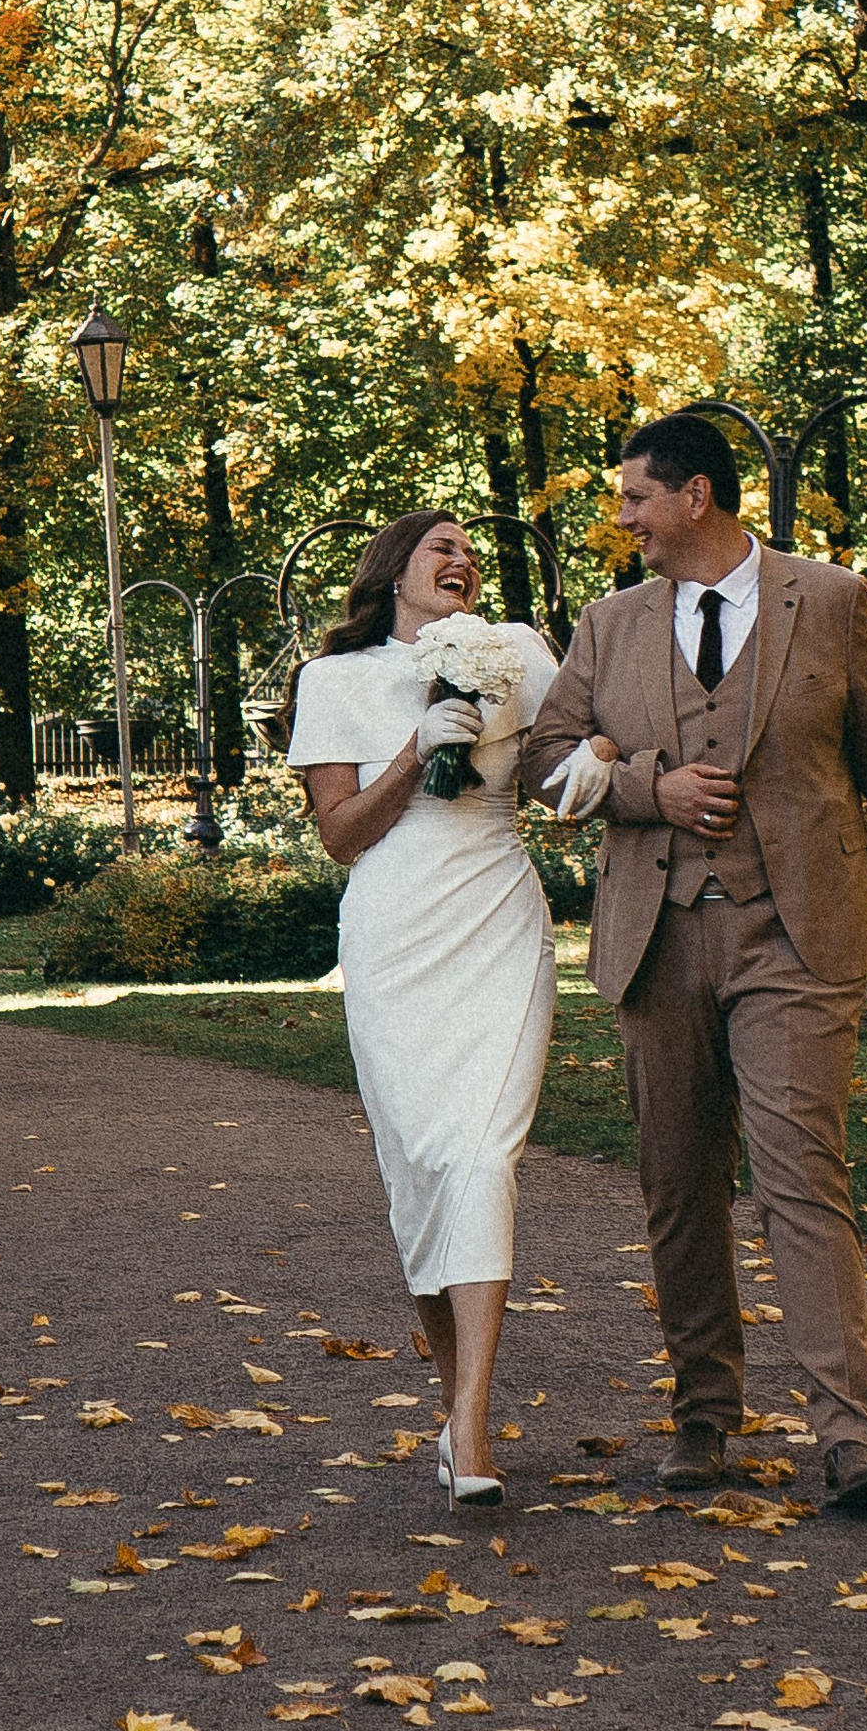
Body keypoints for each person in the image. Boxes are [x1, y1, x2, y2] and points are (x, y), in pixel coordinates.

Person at [522, 413, 867, 1513]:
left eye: (635, 498)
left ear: (696, 496)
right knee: (679, 1185)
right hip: (657, 936)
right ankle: (703, 1416)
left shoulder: (831, 599)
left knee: (801, 1177)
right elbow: (544, 760)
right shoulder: (608, 625)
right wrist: (649, 789)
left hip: (797, 932)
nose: (622, 519)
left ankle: (851, 1438)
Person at [286, 513, 558, 1504]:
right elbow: (340, 836)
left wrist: (598, 769)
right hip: (395, 935)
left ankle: (471, 1432)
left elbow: (560, 767)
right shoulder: (334, 679)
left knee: (481, 1157)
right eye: (441, 547)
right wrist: (413, 751)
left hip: (496, 917)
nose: (462, 559)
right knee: (421, 1174)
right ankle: (457, 1410)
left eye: (470, 550)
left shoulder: (517, 651)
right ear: (393, 572)